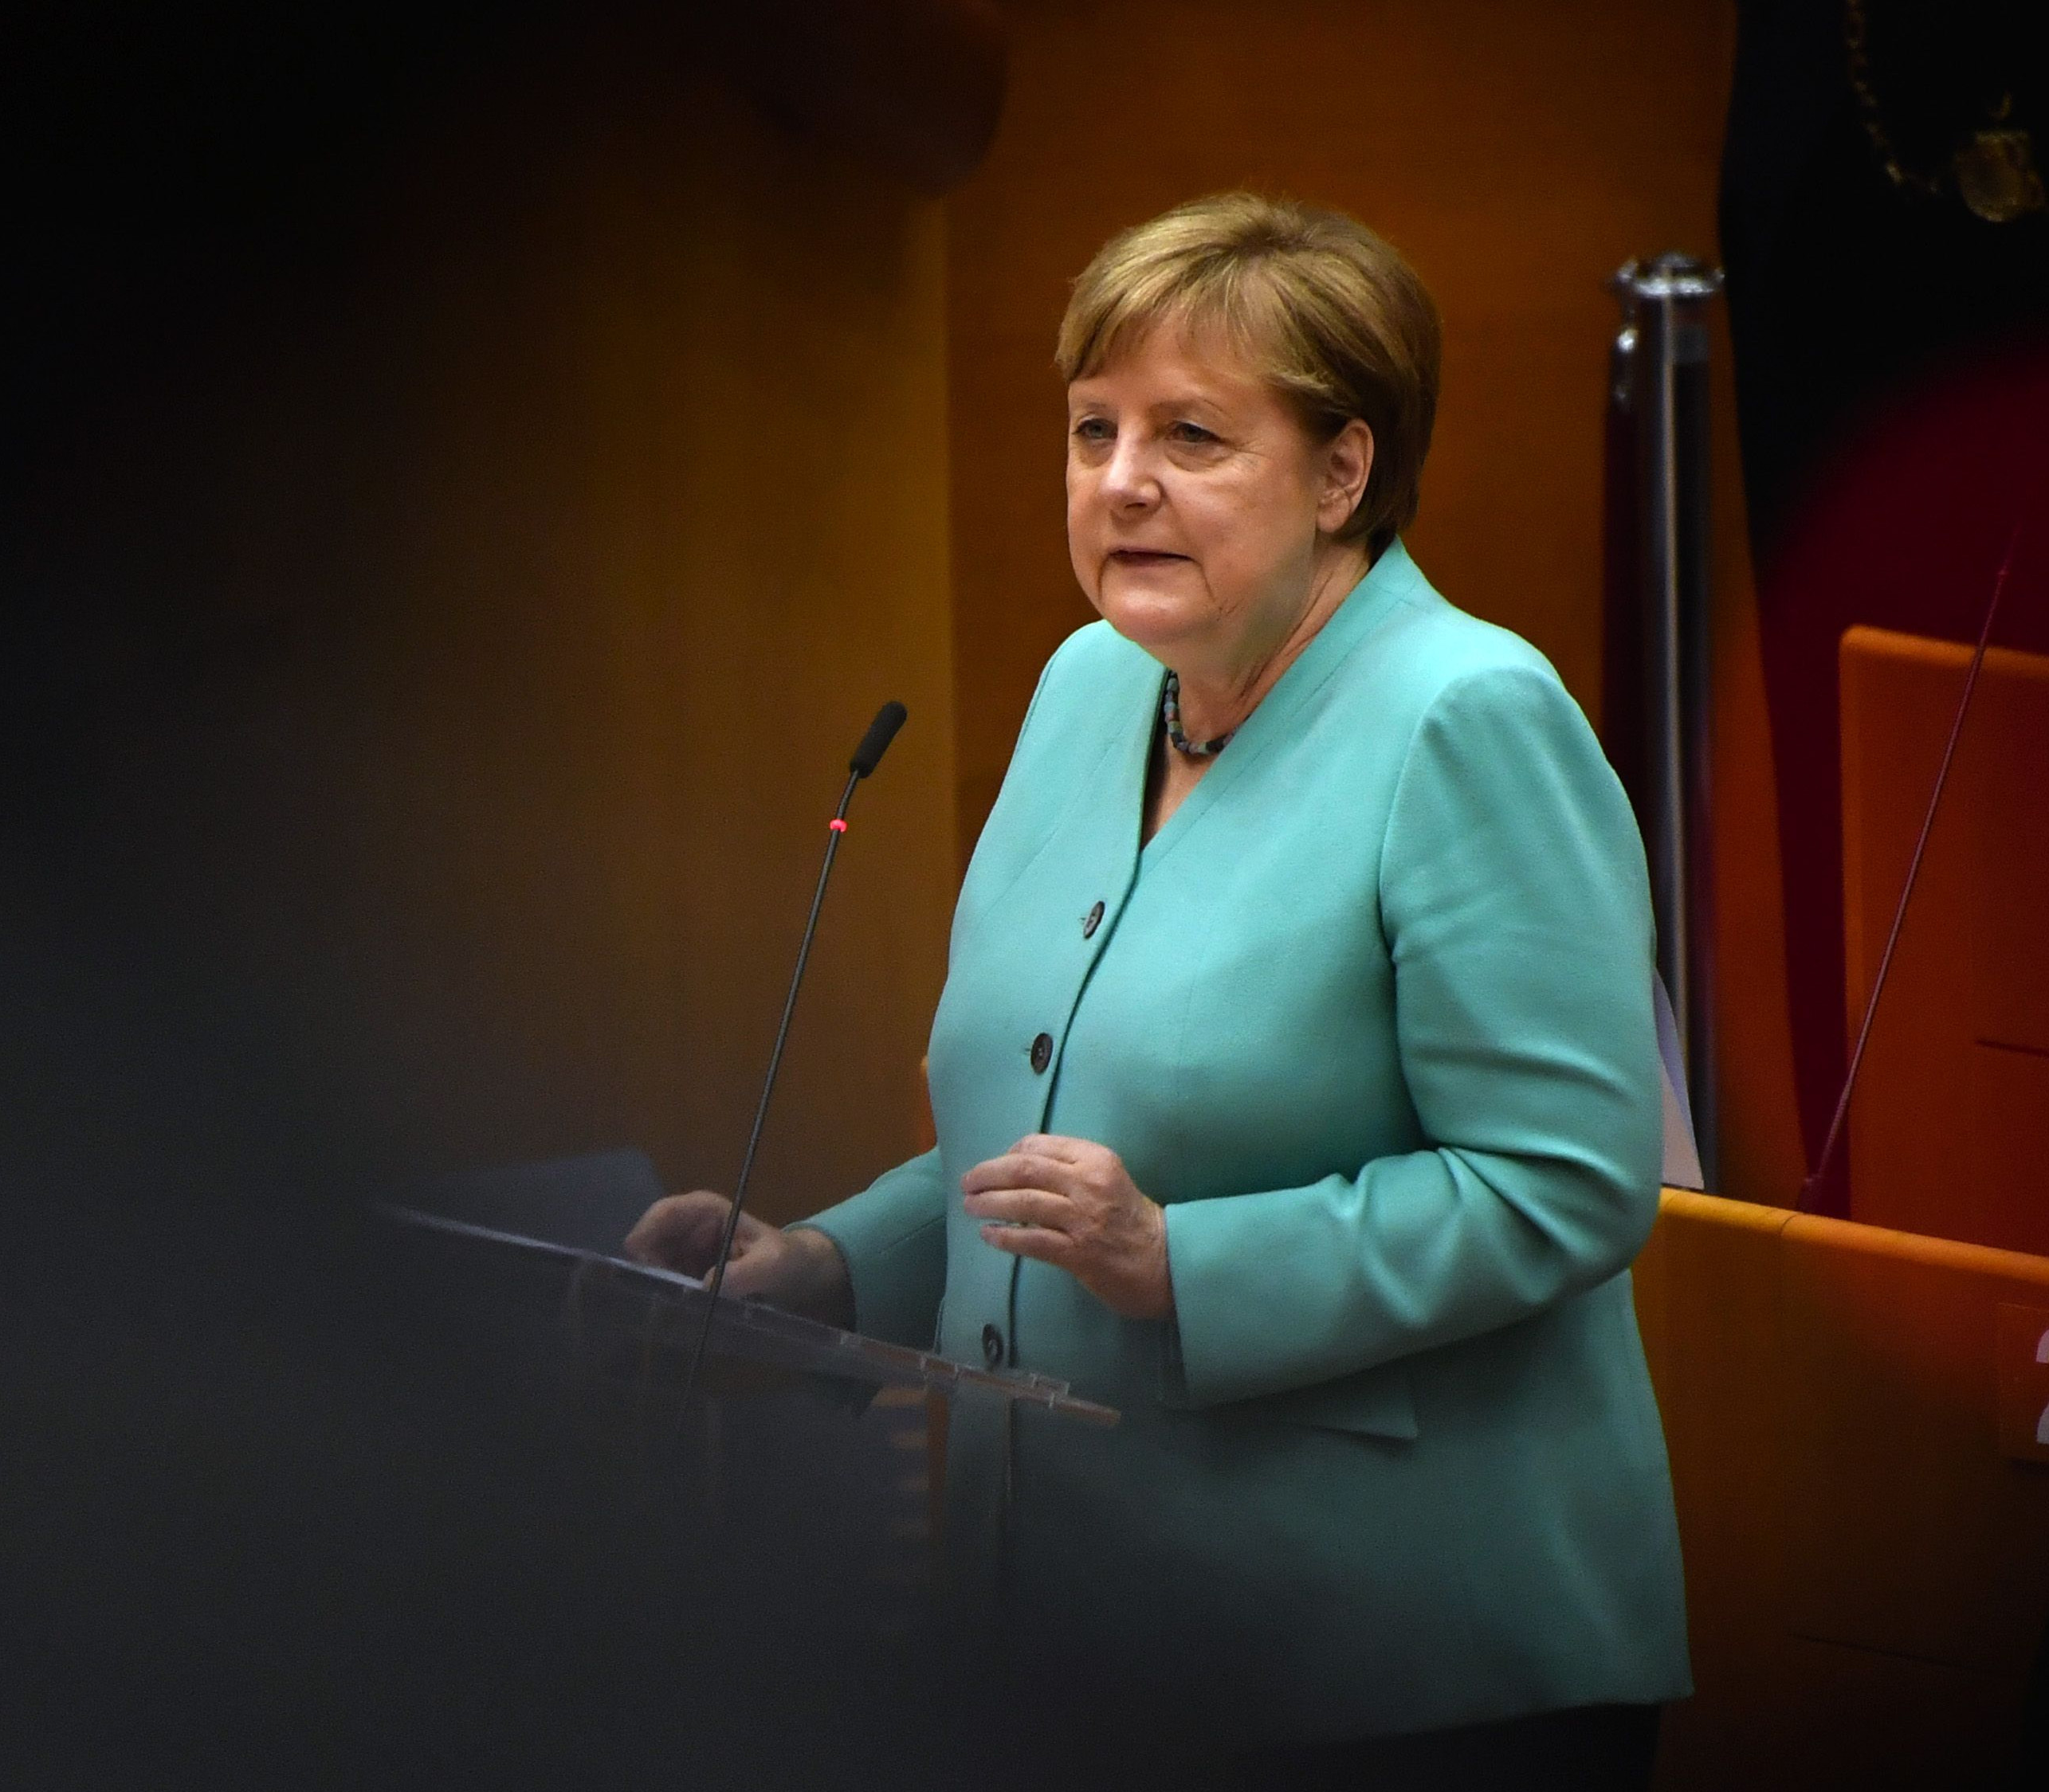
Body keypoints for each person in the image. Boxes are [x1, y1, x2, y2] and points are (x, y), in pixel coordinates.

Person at [629, 191, 1688, 1784]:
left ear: (1342, 471)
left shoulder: (1465, 716)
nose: (1119, 480)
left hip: (1400, 1676)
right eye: (1091, 429)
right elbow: (1046, 1130)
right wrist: (827, 1272)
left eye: (1190, 434)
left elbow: (1565, 1182)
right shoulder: (1091, 684)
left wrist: (1185, 1264)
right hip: (1064, 1649)